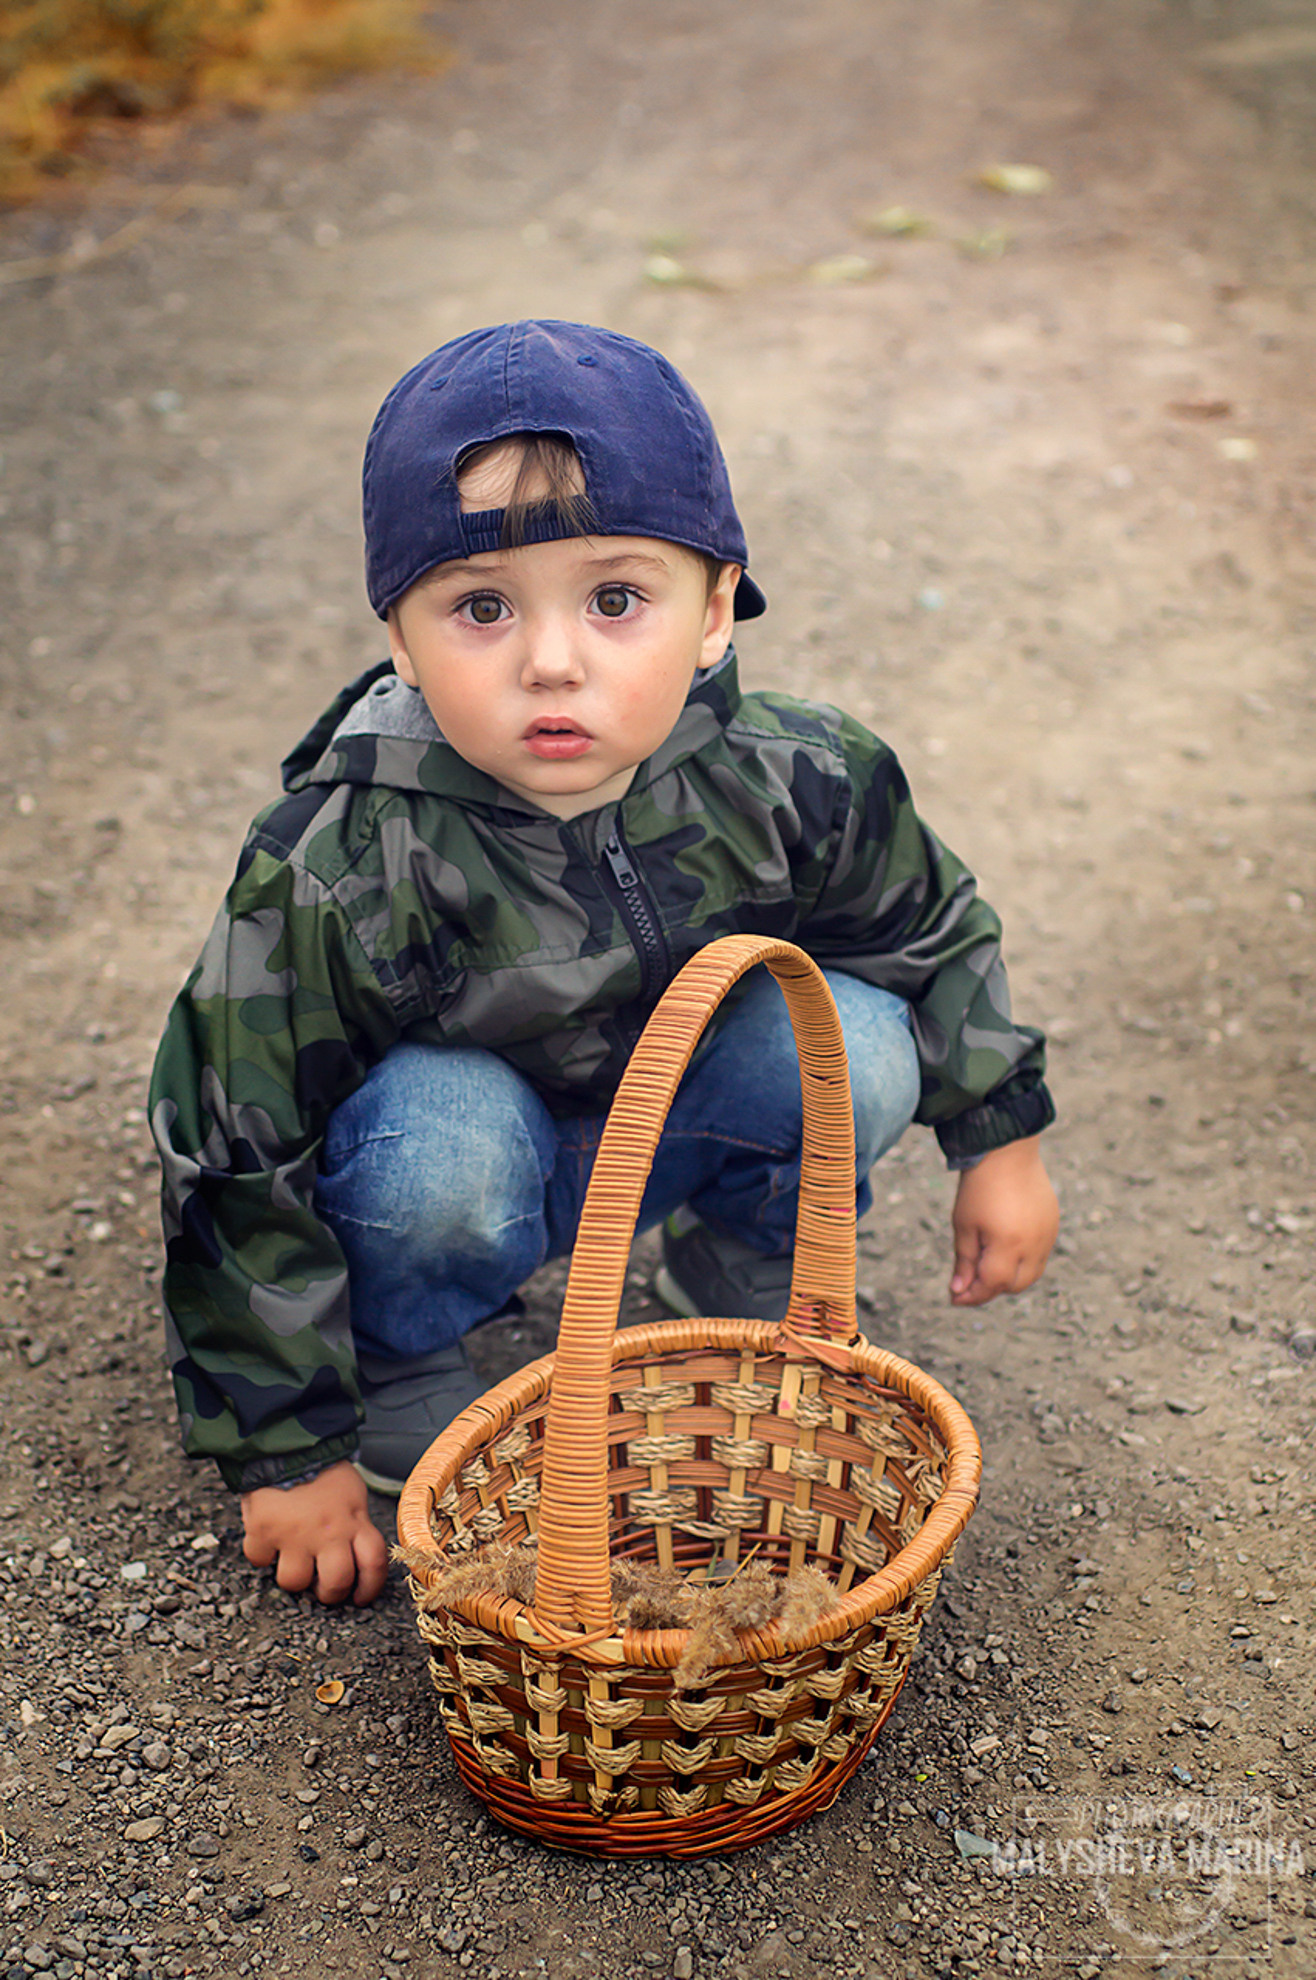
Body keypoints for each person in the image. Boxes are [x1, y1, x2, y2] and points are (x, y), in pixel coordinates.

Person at [150, 319, 1059, 1609]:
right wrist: (284, 1446)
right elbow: (229, 1132)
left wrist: (1002, 1139)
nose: (552, 659)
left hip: (674, 1120)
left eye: (616, 598)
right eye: (480, 608)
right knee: (441, 1145)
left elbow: (928, 923)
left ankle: (738, 1267)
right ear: (398, 641)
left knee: (853, 1041)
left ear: (717, 606)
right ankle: (407, 1353)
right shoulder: (343, 856)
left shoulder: (795, 773)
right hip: (460, 1167)